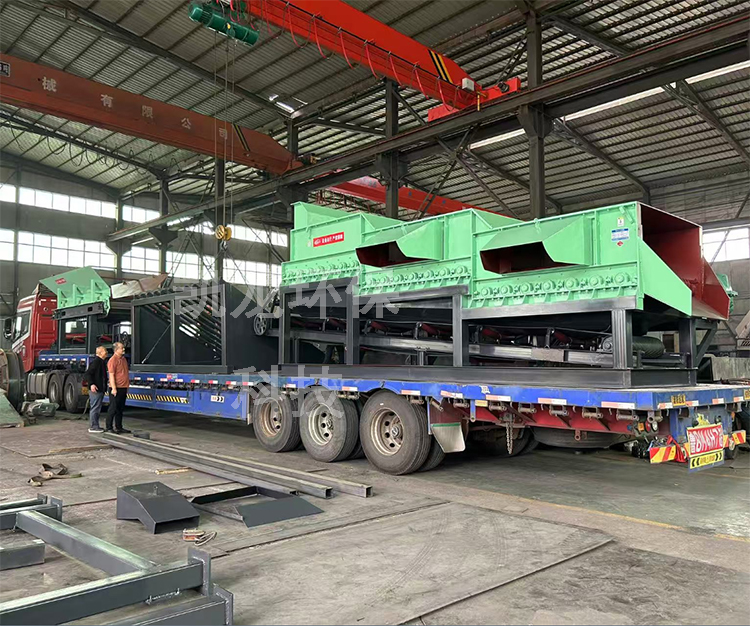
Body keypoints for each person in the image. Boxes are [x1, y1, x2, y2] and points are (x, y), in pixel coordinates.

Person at [106, 341, 131, 434]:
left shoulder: (123, 359)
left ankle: (119, 427)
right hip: (116, 388)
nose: (123, 349)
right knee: (113, 408)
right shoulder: (112, 360)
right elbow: (111, 375)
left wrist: (126, 386)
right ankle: (109, 427)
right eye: (121, 348)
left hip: (123, 387)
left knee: (120, 409)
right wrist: (114, 388)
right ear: (116, 350)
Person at [84, 346, 108, 433]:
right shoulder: (96, 362)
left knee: (97, 407)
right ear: (100, 353)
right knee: (95, 408)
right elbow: (88, 374)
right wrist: (92, 384)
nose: (106, 352)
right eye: (105, 351)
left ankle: (95, 425)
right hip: (96, 389)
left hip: (99, 389)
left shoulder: (101, 362)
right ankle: (94, 427)